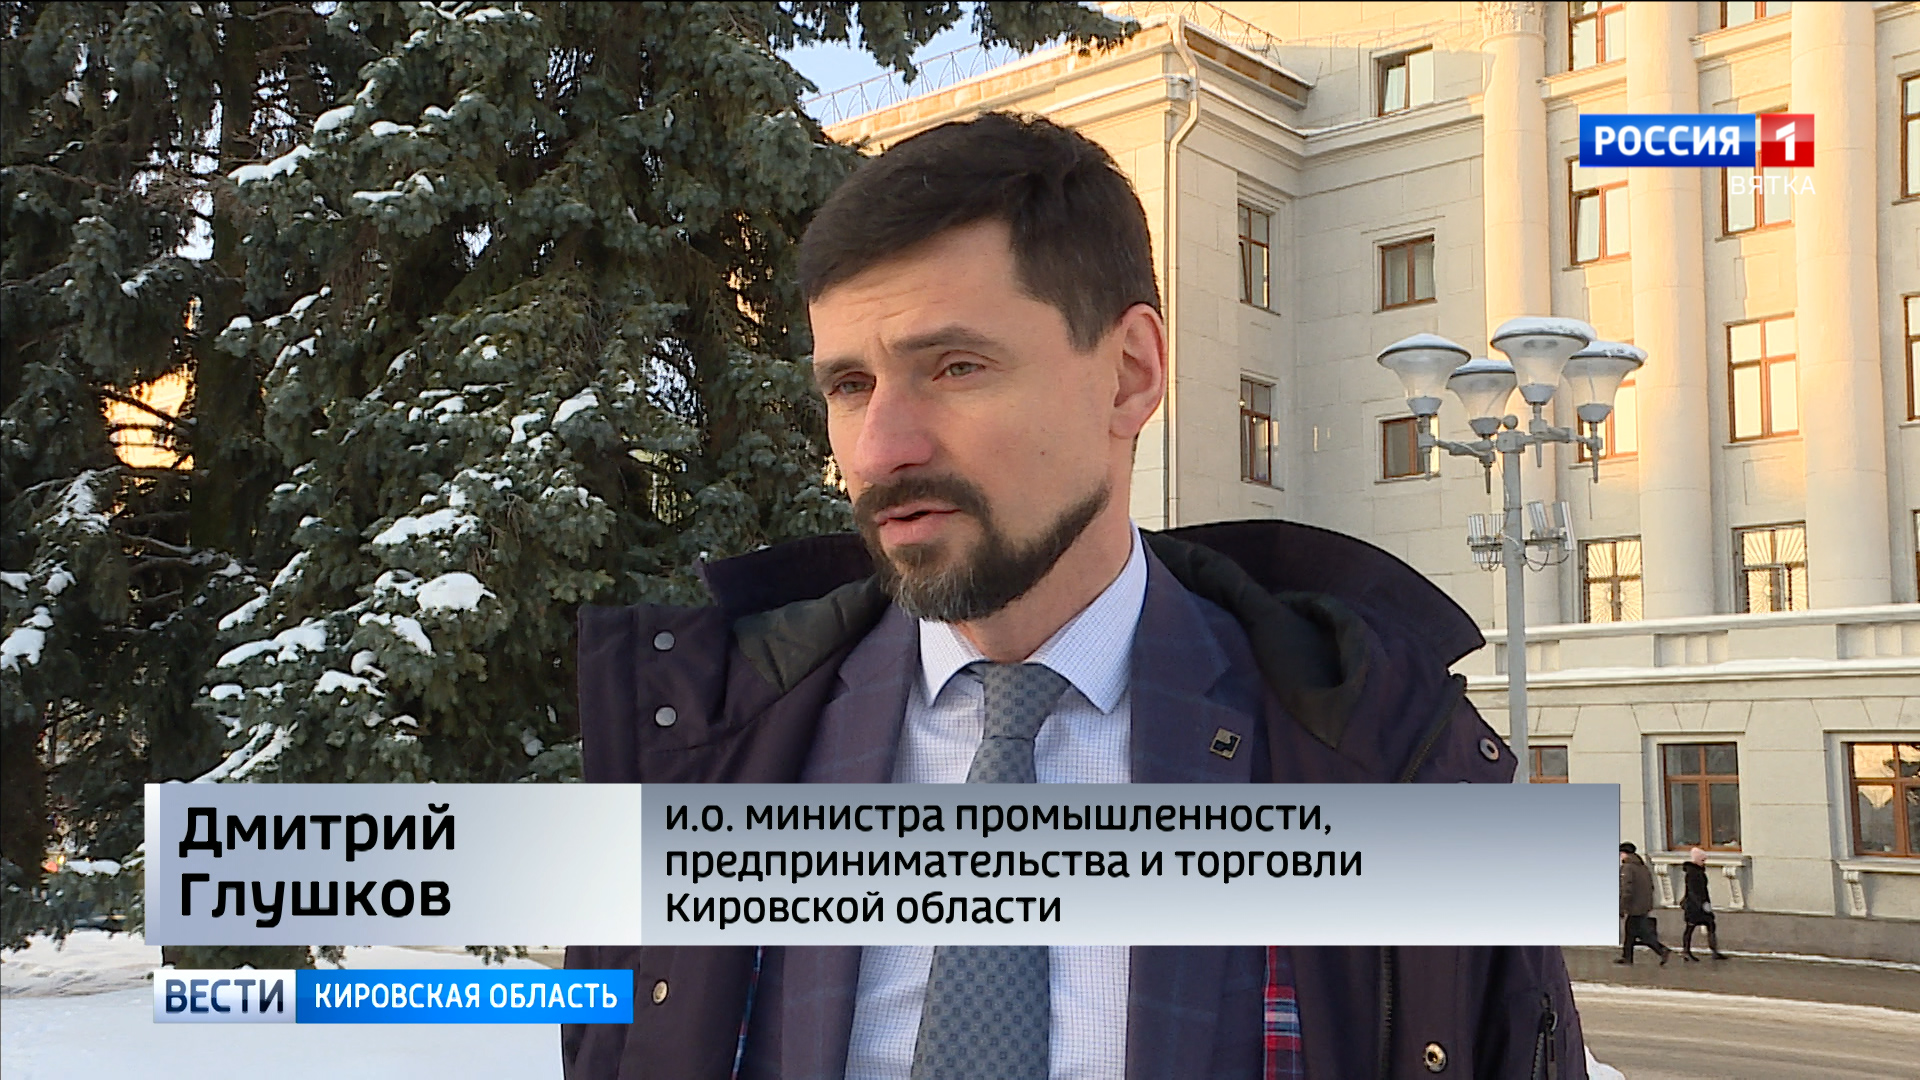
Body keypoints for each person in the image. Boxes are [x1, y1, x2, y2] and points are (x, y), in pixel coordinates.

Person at [563, 113, 1588, 1079]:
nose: (879, 450)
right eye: (850, 386)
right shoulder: (698, 757)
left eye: (954, 367)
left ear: (1130, 374)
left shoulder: (1389, 761)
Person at [1616, 842, 1669, 966]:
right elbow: (1651, 886)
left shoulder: (1627, 868)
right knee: (1631, 933)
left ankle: (1661, 949)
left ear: (1624, 853)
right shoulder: (1642, 866)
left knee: (1640, 933)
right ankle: (1627, 957)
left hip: (1634, 907)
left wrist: (1621, 907)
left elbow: (1626, 889)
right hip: (1643, 905)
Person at [1681, 847, 1726, 961]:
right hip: (1694, 906)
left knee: (1710, 924)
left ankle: (1713, 950)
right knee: (1690, 927)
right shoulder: (1692, 873)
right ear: (1696, 860)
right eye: (1702, 860)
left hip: (1701, 904)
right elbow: (1692, 891)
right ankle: (1686, 951)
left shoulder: (1698, 871)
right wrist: (1701, 904)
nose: (1704, 862)